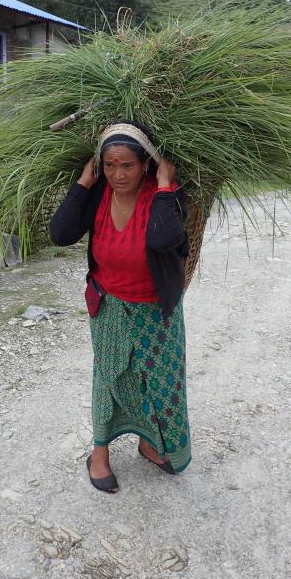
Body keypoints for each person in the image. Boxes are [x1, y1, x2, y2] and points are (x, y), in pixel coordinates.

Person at [49, 120, 191, 493]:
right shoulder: (98, 193)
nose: (117, 174)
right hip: (109, 304)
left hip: (156, 310)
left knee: (158, 383)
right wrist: (84, 182)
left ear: (146, 163)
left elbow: (164, 240)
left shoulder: (167, 195)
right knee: (109, 378)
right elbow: (61, 233)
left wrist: (163, 185)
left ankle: (149, 442)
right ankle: (99, 452)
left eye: (126, 164)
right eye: (109, 165)